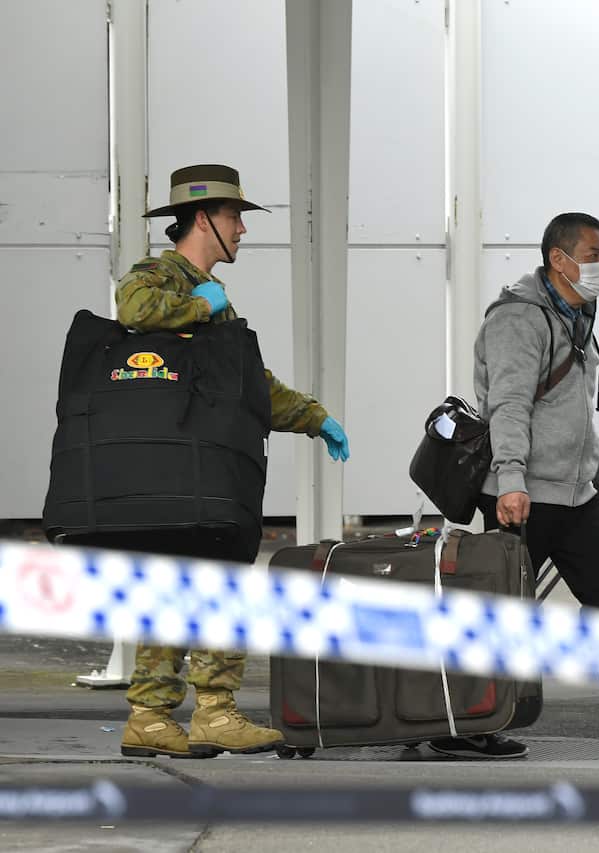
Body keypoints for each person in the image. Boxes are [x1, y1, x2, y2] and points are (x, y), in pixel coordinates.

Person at [427, 212, 599, 759]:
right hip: (522, 494)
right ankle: (459, 722)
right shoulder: (518, 320)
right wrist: (509, 481)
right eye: (596, 254)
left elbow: (571, 410)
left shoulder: (576, 313)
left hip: (571, 492)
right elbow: (508, 406)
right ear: (560, 259)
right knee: (505, 609)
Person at [108, 164, 351, 759]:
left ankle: (205, 712)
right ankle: (156, 714)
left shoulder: (213, 299)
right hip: (168, 468)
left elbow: (246, 384)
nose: (242, 229)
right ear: (203, 219)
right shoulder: (159, 276)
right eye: (234, 217)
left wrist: (313, 416)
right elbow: (132, 308)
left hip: (204, 467)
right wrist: (196, 305)